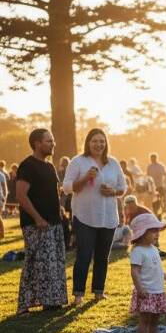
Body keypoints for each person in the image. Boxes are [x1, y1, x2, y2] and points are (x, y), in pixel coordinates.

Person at [62, 128, 128, 305]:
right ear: (88, 143)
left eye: (102, 141)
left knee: (102, 256)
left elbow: (123, 188)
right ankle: (78, 294)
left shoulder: (113, 163)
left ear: (106, 143)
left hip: (108, 217)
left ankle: (98, 291)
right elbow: (67, 187)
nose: (99, 144)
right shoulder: (78, 162)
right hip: (85, 216)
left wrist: (113, 191)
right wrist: (85, 178)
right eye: (94, 141)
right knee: (84, 254)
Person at [16, 130, 68, 314]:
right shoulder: (27, 166)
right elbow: (21, 195)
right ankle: (25, 304)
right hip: (35, 224)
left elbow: (54, 191)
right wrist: (38, 218)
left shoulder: (50, 167)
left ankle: (52, 301)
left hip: (54, 223)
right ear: (37, 143)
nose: (53, 143)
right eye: (49, 141)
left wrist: (60, 211)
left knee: (54, 262)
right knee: (35, 262)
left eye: (52, 140)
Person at [128, 213, 166, 333]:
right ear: (142, 233)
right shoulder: (138, 251)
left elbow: (157, 269)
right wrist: (139, 288)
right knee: (145, 320)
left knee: (155, 320)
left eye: (157, 231)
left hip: (158, 291)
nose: (157, 234)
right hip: (146, 291)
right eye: (153, 231)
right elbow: (135, 272)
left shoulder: (154, 249)